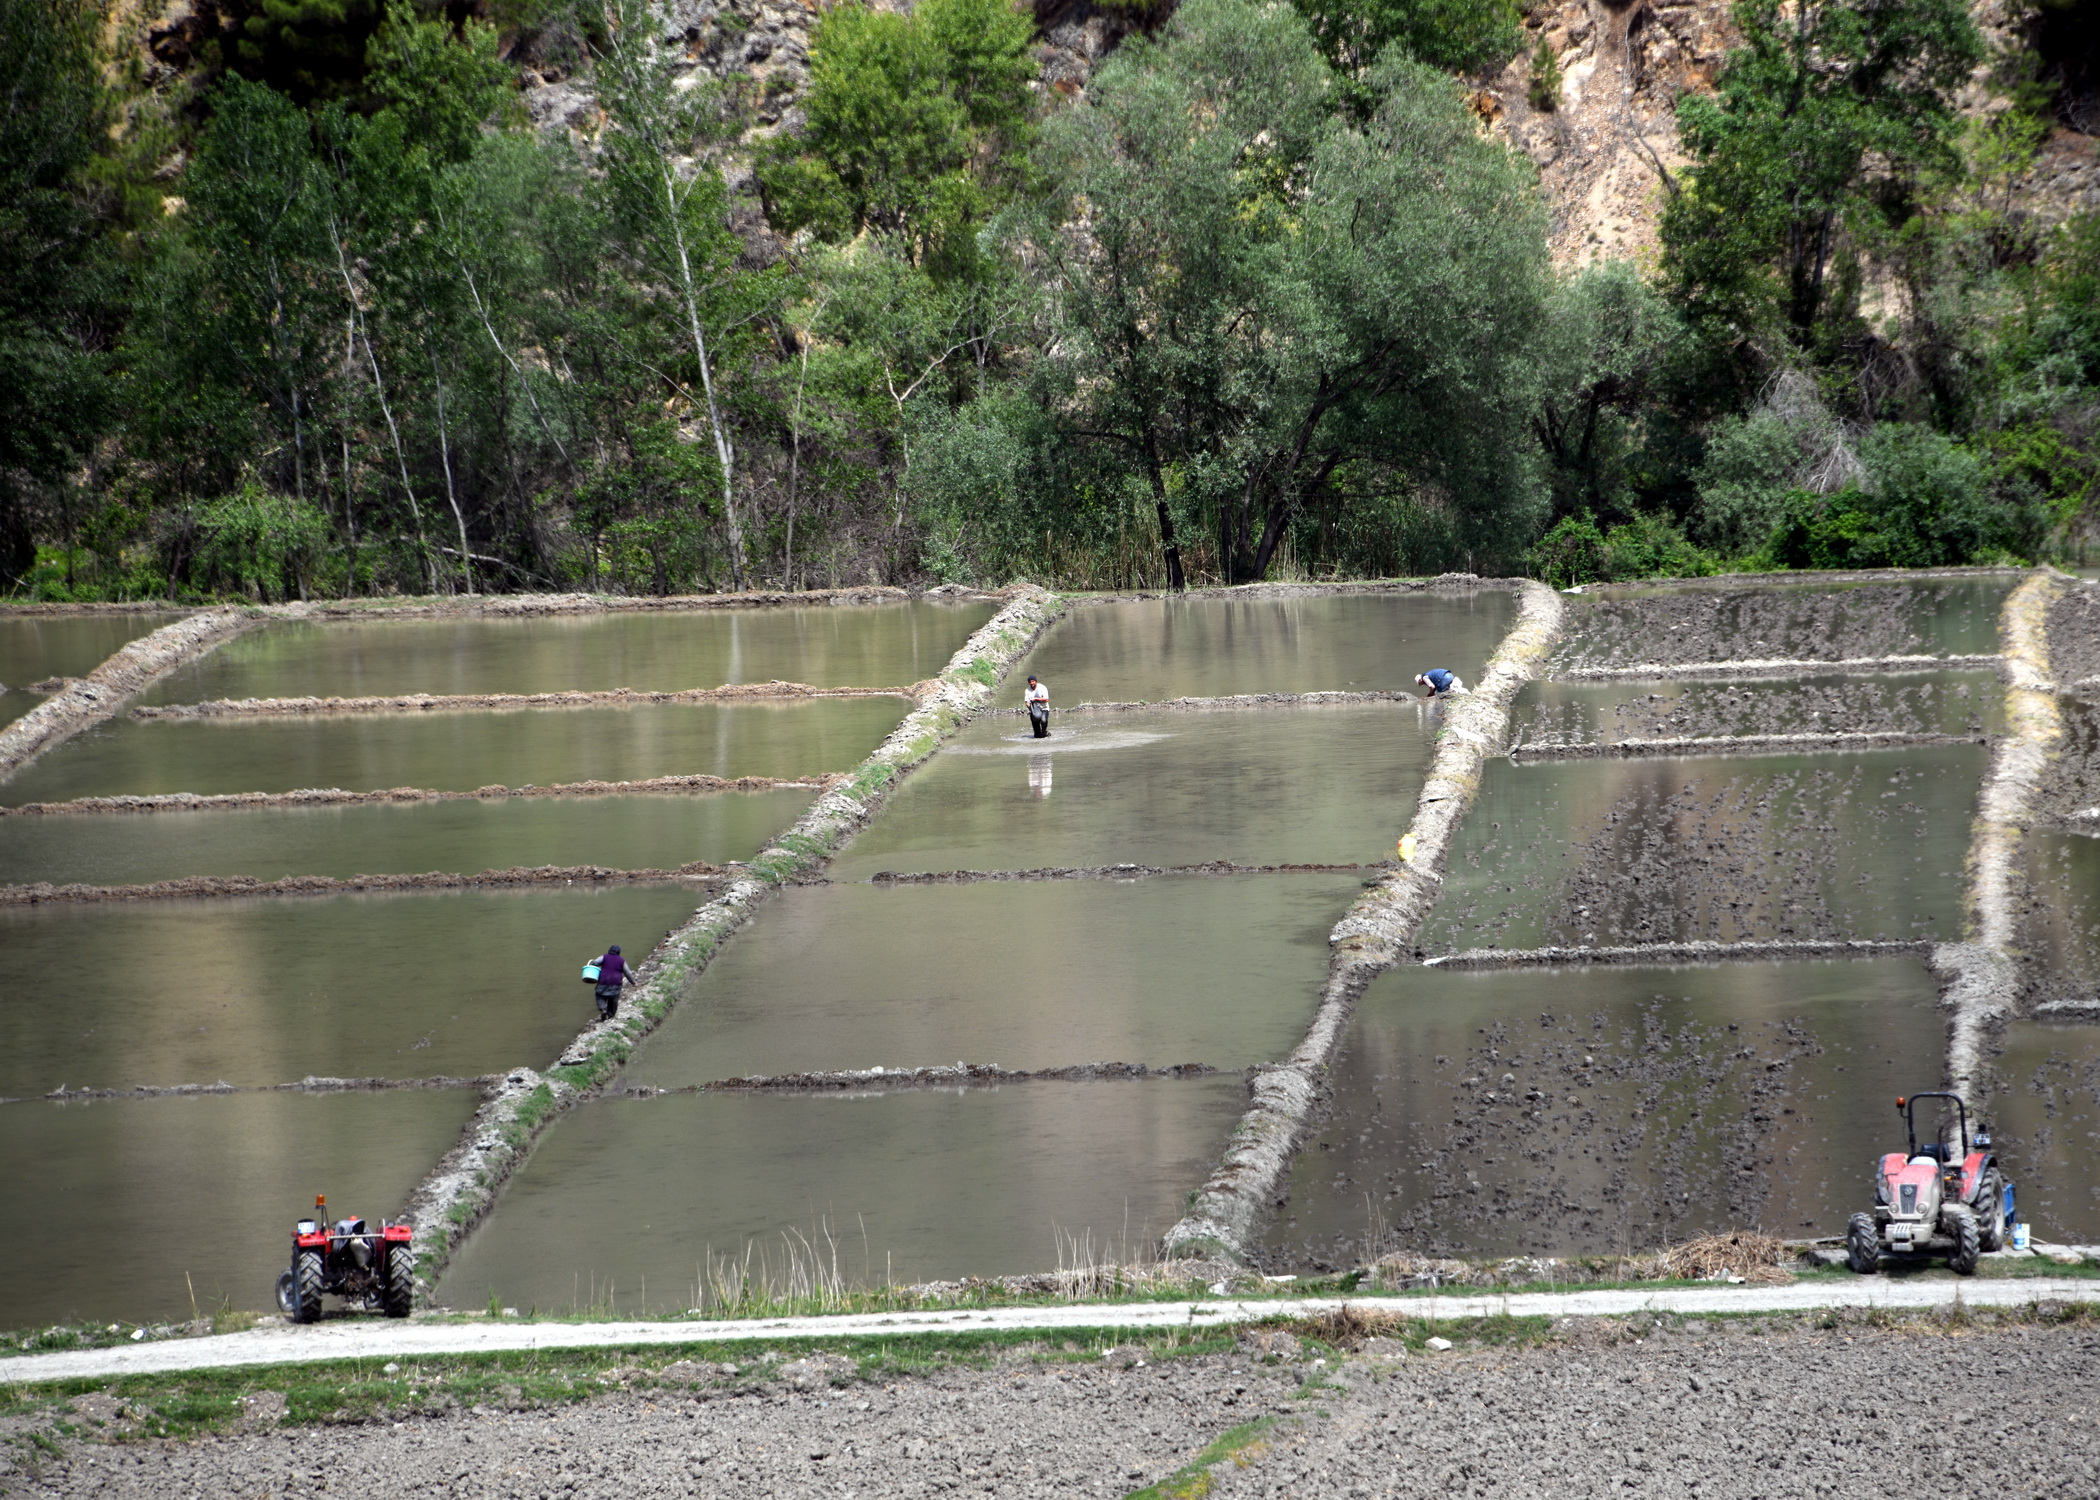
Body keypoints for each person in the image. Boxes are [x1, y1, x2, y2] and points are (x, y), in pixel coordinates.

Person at [589, 944, 634, 1021]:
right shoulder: (621, 961)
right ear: (619, 952)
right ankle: (610, 1015)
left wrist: (592, 963)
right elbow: (627, 973)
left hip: (603, 981)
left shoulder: (604, 957)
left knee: (600, 996)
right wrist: (633, 982)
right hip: (616, 983)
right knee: (613, 999)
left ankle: (603, 1009)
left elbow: (595, 963)